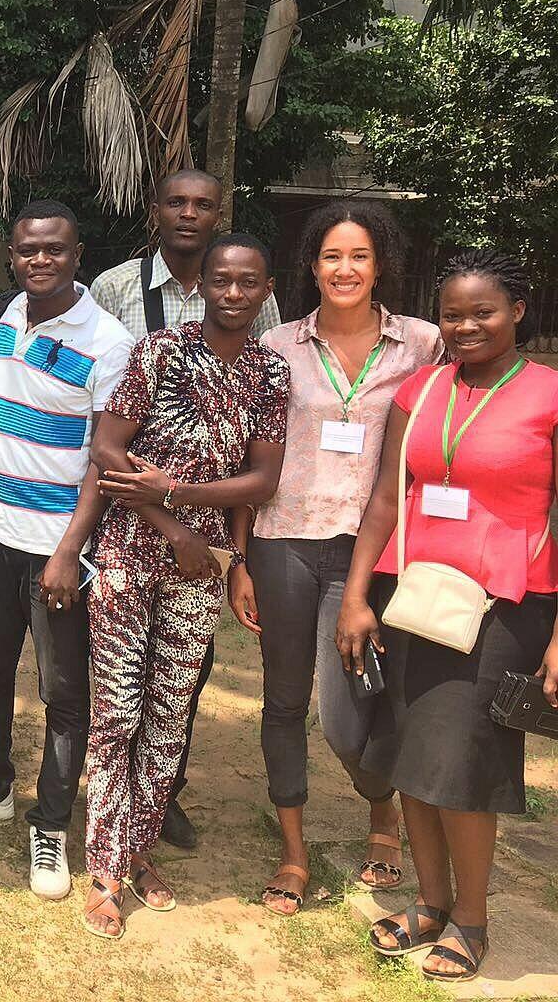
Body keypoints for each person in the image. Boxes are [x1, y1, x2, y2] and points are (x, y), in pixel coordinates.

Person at [338, 250, 558, 983]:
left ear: (518, 312)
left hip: (507, 606)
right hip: (418, 596)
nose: (465, 326)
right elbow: (381, 501)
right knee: (411, 755)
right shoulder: (421, 391)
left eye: (483, 312)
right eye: (453, 313)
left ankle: (472, 920)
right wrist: (356, 595)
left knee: (463, 764)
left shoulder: (549, 395)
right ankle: (430, 904)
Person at [235, 202, 442, 916]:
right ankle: (293, 853)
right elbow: (248, 454)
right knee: (285, 701)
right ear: (312, 266)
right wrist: (239, 557)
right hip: (284, 539)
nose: (344, 269)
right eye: (331, 257)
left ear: (379, 263)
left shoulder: (423, 344)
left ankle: (380, 810)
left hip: (376, 549)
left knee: (351, 711)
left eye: (358, 256)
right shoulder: (277, 347)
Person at [81, 233, 287, 939]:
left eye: (248, 282)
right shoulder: (159, 352)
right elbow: (108, 450)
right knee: (116, 716)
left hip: (199, 575)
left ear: (265, 290)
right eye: (223, 280)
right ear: (206, 288)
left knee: (168, 717)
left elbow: (263, 481)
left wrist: (190, 502)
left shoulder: (270, 373)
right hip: (132, 554)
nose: (233, 292)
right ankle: (104, 868)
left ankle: (138, 851)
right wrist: (175, 523)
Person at [0, 201, 134, 905]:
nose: (39, 260)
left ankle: (50, 824)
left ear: (78, 254)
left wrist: (69, 552)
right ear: (13, 256)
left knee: (64, 692)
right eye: (27, 250)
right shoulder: (6, 315)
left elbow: (107, 461)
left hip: (57, 549)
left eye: (54, 249)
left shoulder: (108, 341)